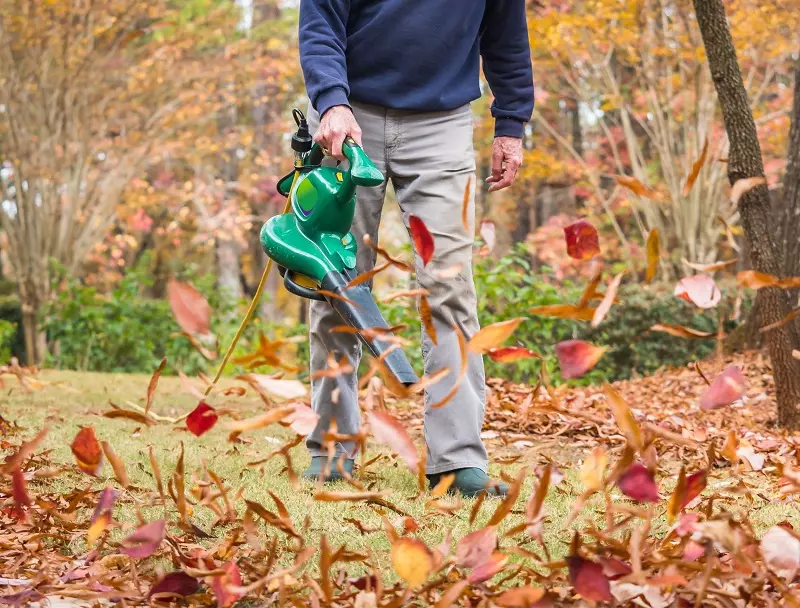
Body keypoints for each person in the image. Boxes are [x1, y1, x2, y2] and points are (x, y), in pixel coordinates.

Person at [299, 0, 534, 497]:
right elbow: (320, 22)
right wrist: (331, 100)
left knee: (449, 287)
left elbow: (506, 37)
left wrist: (511, 124)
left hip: (443, 123)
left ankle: (457, 461)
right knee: (336, 283)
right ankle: (332, 450)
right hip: (350, 119)